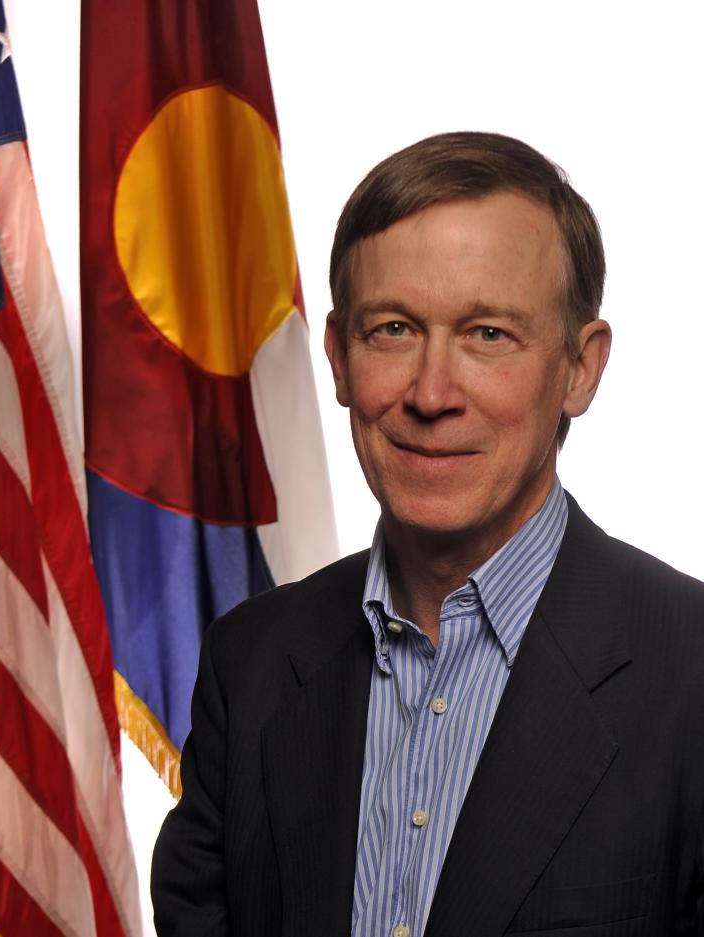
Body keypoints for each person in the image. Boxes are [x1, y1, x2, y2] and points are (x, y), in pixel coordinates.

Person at [151, 132, 704, 936]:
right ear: (339, 355)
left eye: (489, 335)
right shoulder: (252, 663)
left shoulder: (690, 672)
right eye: (394, 330)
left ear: (580, 368)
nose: (433, 392)